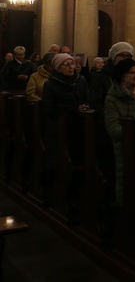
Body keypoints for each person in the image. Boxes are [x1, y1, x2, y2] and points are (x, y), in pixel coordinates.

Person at [41, 53, 89, 213]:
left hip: (78, 126)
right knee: (55, 161)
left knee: (78, 160)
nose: (71, 67)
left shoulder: (80, 81)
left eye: (72, 64)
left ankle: (76, 194)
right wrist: (73, 109)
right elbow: (49, 109)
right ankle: (51, 193)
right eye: (66, 64)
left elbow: (87, 98)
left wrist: (84, 107)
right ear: (57, 67)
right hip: (59, 128)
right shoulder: (51, 84)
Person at [104, 58, 135, 206]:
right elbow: (113, 129)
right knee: (126, 180)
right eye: (131, 73)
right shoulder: (112, 98)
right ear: (122, 75)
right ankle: (124, 210)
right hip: (124, 147)